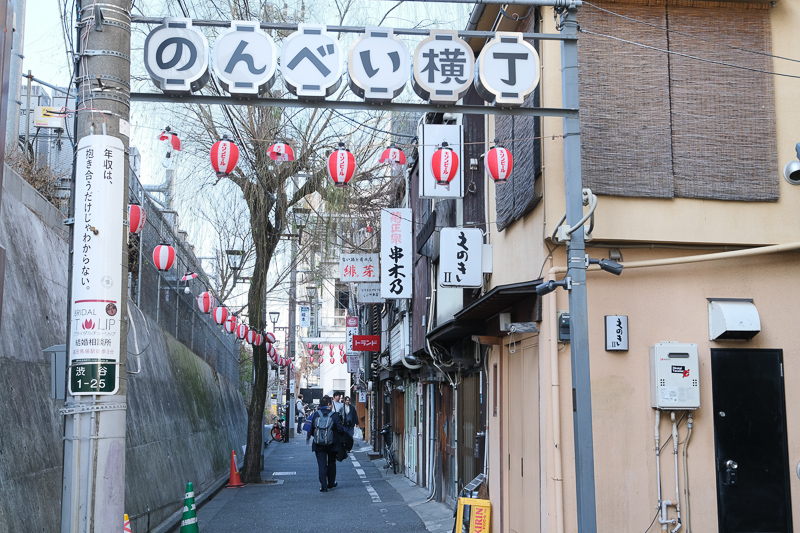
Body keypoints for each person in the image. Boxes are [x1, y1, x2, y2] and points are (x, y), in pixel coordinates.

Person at [306, 395, 345, 492]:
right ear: (328, 404)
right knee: (332, 463)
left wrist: (314, 437)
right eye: (331, 403)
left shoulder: (315, 414)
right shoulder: (335, 415)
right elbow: (340, 429)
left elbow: (310, 429)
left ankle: (324, 486)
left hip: (319, 444)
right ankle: (331, 483)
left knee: (322, 464)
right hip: (332, 444)